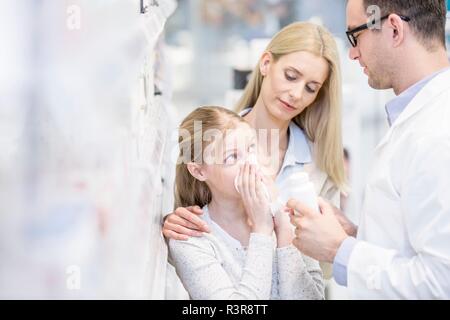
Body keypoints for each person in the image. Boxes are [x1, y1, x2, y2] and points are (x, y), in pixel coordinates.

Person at [288, 0, 450, 299]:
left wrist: (340, 250)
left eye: (355, 35)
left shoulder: (437, 133)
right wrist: (354, 236)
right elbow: (414, 244)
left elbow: (441, 282)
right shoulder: (421, 118)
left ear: (394, 29)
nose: (352, 53)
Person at [163, 22, 347, 261]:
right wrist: (171, 224)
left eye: (311, 88)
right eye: (291, 76)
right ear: (266, 63)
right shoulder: (207, 141)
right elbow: (182, 241)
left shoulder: (320, 163)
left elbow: (328, 263)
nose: (297, 94)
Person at [169, 106, 324, 299]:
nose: (251, 163)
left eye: (251, 148)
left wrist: (283, 227)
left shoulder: (293, 215)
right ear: (199, 171)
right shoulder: (191, 241)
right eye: (232, 157)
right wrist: (262, 231)